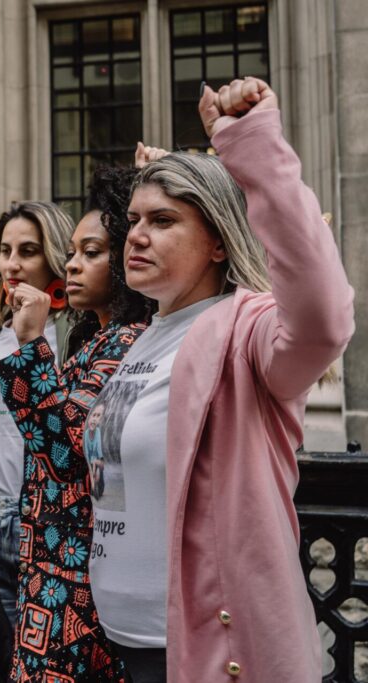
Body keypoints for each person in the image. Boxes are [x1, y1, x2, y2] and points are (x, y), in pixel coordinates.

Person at [83, 78, 353, 681]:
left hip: (202, 654)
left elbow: (323, 318)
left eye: (163, 220)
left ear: (215, 241)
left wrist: (253, 149)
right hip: (115, 642)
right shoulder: (143, 338)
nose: (137, 236)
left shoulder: (247, 331)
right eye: (132, 220)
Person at [0, 164, 156, 682]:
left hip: (76, 574)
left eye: (93, 253)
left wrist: (31, 345)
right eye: (72, 254)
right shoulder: (97, 339)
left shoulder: (131, 343)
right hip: (49, 564)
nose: (75, 267)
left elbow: (67, 453)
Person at [0, 201, 74, 627]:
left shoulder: (78, 330)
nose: (12, 264)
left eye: (28, 251)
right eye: (6, 250)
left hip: (47, 519)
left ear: (55, 255)